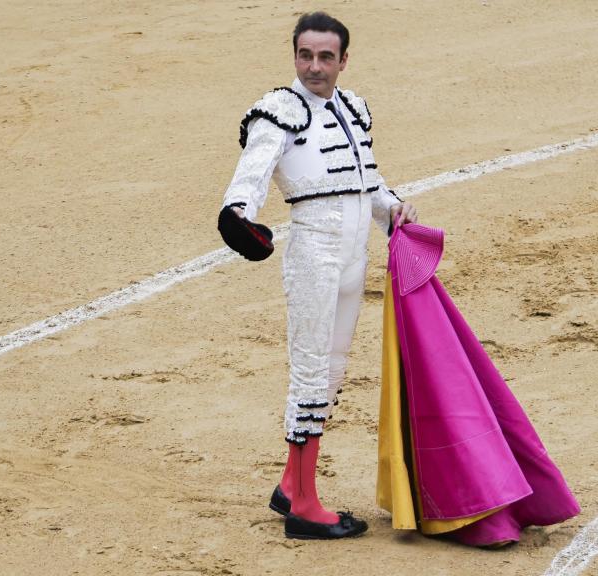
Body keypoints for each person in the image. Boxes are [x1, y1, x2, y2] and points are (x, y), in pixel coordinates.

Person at [220, 12, 417, 540]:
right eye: (305, 55)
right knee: (310, 373)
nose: (314, 66)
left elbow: (366, 181)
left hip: (355, 255)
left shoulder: (353, 107)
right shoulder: (278, 110)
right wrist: (237, 214)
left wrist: (393, 209)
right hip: (315, 252)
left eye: (325, 56)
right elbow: (253, 171)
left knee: (331, 373)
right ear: (295, 57)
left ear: (343, 60)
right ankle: (305, 506)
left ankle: (291, 484)